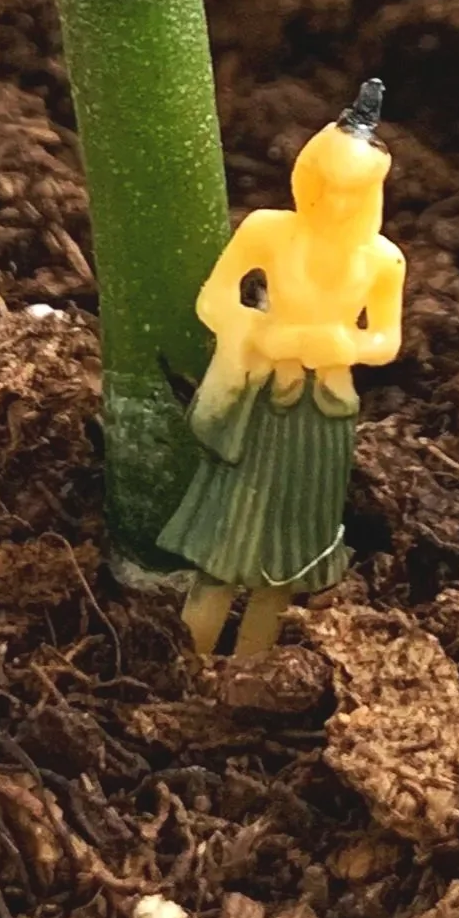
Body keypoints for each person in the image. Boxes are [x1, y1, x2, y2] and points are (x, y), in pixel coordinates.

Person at [160, 78, 405, 659]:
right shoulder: (268, 231)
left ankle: (251, 663)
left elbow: (386, 341)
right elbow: (215, 302)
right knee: (230, 530)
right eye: (330, 188)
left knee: (293, 540)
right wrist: (269, 333)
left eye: (355, 193)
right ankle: (190, 659)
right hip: (260, 400)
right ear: (309, 178)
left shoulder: (381, 259)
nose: (339, 204)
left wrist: (337, 341)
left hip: (324, 412)